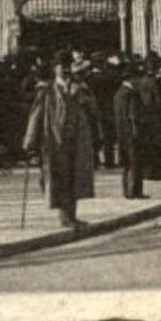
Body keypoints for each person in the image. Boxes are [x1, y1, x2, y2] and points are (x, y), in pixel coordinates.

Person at [22, 52, 100, 228]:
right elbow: (35, 116)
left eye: (67, 66)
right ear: (55, 69)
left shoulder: (80, 87)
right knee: (60, 179)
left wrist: (84, 97)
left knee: (75, 178)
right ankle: (65, 217)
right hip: (55, 142)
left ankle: (71, 215)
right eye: (60, 66)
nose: (64, 70)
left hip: (76, 141)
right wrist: (30, 141)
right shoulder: (47, 91)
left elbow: (93, 110)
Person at [112, 62, 148, 199]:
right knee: (135, 161)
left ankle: (127, 190)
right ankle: (134, 191)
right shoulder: (131, 94)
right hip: (132, 133)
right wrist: (136, 130)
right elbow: (133, 115)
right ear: (131, 79)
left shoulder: (118, 94)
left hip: (121, 132)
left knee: (127, 163)